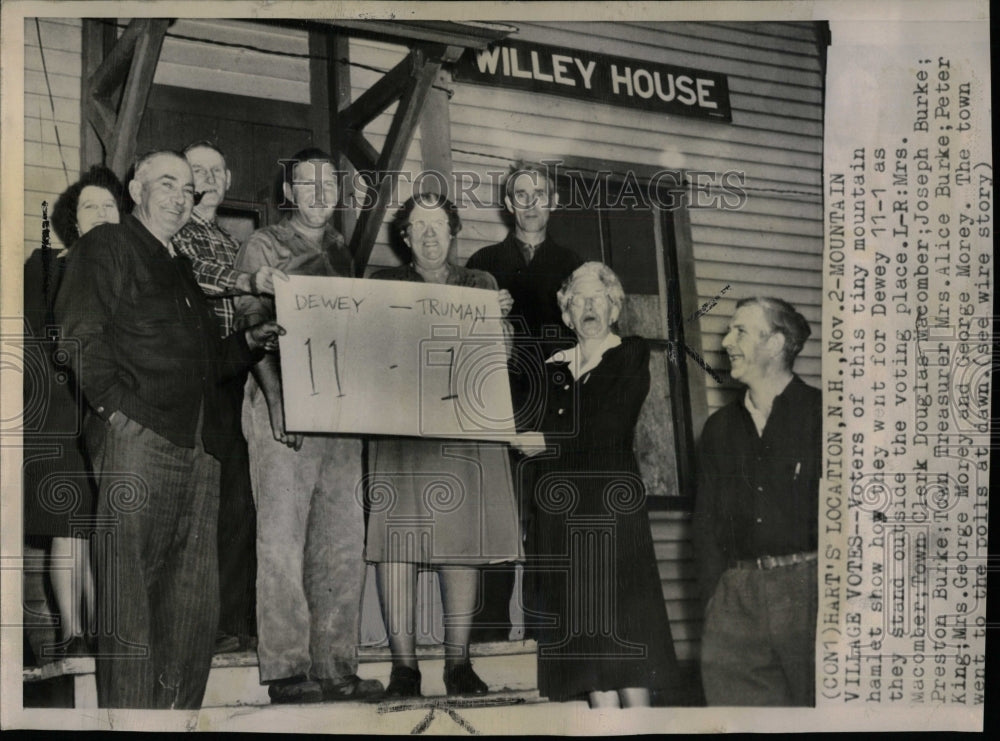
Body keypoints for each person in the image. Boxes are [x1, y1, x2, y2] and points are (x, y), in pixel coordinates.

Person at [54, 150, 283, 709]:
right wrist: (117, 416)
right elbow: (78, 338)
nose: (181, 196)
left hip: (197, 450)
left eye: (188, 188)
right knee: (131, 605)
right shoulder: (105, 246)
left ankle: (176, 721)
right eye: (166, 184)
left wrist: (250, 343)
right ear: (136, 189)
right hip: (141, 443)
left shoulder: (179, 266)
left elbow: (208, 364)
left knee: (190, 610)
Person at [233, 148, 383, 704]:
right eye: (307, 183)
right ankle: (288, 669)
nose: (320, 192)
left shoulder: (343, 251)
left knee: (343, 540)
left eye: (329, 182)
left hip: (339, 413)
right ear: (289, 193)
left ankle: (338, 667)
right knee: (281, 539)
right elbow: (251, 328)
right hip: (283, 404)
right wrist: (276, 402)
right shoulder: (264, 245)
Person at [366, 192, 521, 698]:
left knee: (463, 539)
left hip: (463, 427)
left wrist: (499, 321)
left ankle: (459, 662)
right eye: (419, 226)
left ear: (453, 233)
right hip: (401, 432)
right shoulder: (382, 285)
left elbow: (503, 360)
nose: (430, 235)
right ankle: (404, 667)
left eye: (439, 225)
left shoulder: (480, 284)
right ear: (405, 236)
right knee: (398, 541)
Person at [512, 262, 678, 708]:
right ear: (566, 315)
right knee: (588, 654)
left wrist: (545, 441)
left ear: (614, 306)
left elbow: (606, 425)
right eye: (578, 300)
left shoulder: (629, 354)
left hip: (611, 515)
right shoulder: (551, 367)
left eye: (597, 298)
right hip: (561, 519)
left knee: (625, 643)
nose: (588, 306)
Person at [172, 140, 286, 654]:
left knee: (240, 505)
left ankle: (236, 623)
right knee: (204, 508)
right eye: (198, 170)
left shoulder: (230, 237)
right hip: (197, 382)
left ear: (229, 177)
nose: (209, 178)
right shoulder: (179, 235)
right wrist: (251, 278)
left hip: (236, 380)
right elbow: (203, 277)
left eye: (217, 169)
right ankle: (205, 624)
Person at [465, 162, 582, 642]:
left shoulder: (575, 264)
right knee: (495, 515)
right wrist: (485, 311)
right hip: (498, 404)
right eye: (521, 194)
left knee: (548, 520)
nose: (531, 203)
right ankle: (490, 631)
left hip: (553, 407)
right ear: (508, 203)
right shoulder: (483, 261)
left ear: (552, 202)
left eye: (541, 194)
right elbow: (459, 340)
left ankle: (544, 634)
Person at [693, 297, 820, 706]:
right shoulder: (719, 429)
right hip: (736, 598)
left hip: (810, 591)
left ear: (775, 343)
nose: (726, 341)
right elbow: (705, 526)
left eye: (740, 331)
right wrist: (716, 599)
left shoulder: (826, 416)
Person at [22, 164, 123, 658]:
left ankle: (96, 636)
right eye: (91, 206)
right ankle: (70, 635)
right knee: (68, 527)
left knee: (97, 531)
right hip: (60, 417)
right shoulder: (46, 265)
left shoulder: (129, 271)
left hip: (109, 418)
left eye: (110, 206)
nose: (103, 214)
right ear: (73, 219)